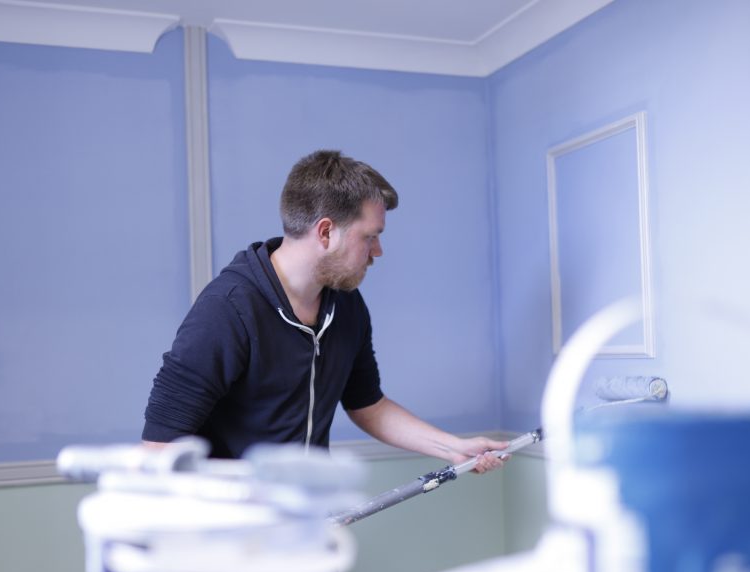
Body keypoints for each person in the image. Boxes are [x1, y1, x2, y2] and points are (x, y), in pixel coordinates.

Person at [142, 149, 508, 470]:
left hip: (304, 519)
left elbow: (368, 405)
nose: (377, 251)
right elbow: (160, 448)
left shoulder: (346, 305)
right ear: (325, 232)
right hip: (233, 530)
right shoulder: (227, 311)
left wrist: (454, 448)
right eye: (370, 236)